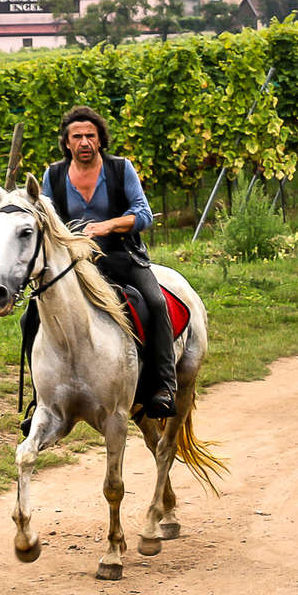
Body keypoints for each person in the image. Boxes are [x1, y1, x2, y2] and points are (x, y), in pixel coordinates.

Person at [40, 105, 176, 419]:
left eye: (91, 135)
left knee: (155, 302)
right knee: (31, 317)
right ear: (67, 142)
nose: (84, 142)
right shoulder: (54, 175)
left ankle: (164, 386)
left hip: (121, 257)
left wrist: (109, 225)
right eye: (77, 136)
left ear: (101, 139)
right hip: (74, 264)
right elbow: (47, 220)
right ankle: (40, 401)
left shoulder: (120, 169)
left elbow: (143, 214)